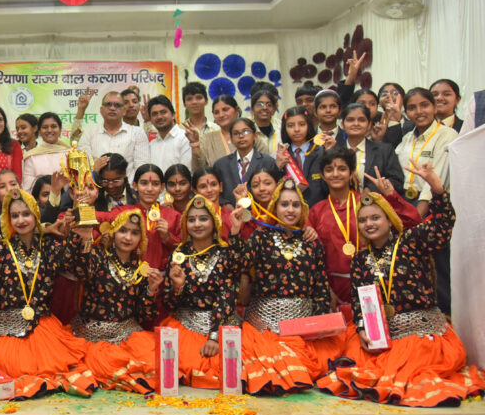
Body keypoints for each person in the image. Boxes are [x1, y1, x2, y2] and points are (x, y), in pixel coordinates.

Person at [318, 164, 485, 406]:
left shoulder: (411, 242)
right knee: (352, 367)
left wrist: (437, 189)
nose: (369, 224)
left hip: (421, 334)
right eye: (363, 220)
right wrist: (362, 328)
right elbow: (359, 300)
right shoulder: (361, 259)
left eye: (376, 218)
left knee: (408, 375)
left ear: (389, 219)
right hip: (384, 335)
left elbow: (442, 226)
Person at [0, 188, 95, 398]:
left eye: (26, 214)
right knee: (18, 369)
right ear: (8, 219)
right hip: (5, 327)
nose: (21, 220)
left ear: (36, 216)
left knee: (59, 365)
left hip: (41, 325)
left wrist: (80, 233)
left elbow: (75, 266)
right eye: (15, 215)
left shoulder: (49, 246)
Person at [236, 179, 343, 394]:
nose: (290, 210)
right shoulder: (260, 237)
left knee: (309, 363)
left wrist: (319, 326)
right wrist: (235, 232)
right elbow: (238, 264)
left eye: (295, 205)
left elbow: (320, 286)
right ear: (274, 208)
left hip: (300, 326)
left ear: (303, 210)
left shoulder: (311, 241)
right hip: (262, 325)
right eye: (284, 204)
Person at [308, 148, 420, 306]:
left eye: (342, 169)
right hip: (331, 287)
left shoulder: (368, 204)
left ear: (352, 172)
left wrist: (391, 196)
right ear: (322, 175)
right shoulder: (316, 212)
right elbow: (312, 257)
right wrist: (325, 289)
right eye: (329, 170)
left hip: (372, 281)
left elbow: (412, 223)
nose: (335, 174)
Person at [68, 210, 163, 393]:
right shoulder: (98, 257)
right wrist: (86, 240)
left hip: (128, 336)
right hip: (93, 337)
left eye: (134, 233)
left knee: (156, 363)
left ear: (140, 238)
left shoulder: (141, 270)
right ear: (113, 232)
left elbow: (145, 315)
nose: (128, 237)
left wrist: (151, 289)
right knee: (109, 366)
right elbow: (81, 270)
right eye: (123, 231)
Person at [162, 196, 243, 389]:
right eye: (191, 220)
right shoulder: (179, 254)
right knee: (179, 365)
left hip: (221, 324)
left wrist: (214, 336)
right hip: (186, 326)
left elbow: (226, 296)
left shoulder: (225, 253)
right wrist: (177, 287)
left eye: (203, 219)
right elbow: (169, 303)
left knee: (226, 369)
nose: (197, 224)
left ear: (214, 223)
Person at [397, 88, 457, 214]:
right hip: (404, 201)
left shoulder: (447, 135)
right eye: (412, 108)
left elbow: (437, 178)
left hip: (432, 204)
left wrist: (418, 216)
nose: (419, 112)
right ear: (406, 113)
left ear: (434, 108)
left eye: (424, 105)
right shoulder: (407, 138)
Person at [333, 103, 404, 192]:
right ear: (342, 124)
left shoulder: (384, 150)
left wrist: (371, 189)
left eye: (361, 120)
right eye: (350, 120)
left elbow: (397, 181)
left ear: (369, 124)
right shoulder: (333, 152)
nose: (356, 124)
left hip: (375, 199)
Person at [73, 91, 149, 172]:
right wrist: (93, 168)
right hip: (94, 180)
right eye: (108, 104)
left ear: (124, 111)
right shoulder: (89, 135)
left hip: (129, 180)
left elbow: (142, 169)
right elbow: (82, 168)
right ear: (101, 110)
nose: (112, 108)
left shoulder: (137, 133)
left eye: (117, 105)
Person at [187, 95, 268, 171]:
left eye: (225, 110)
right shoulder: (207, 139)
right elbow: (199, 171)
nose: (221, 115)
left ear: (237, 111)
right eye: (216, 112)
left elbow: (266, 164)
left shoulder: (249, 135)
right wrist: (195, 144)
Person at [212, 118, 279, 205]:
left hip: (260, 211)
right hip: (231, 210)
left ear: (255, 135)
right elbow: (216, 192)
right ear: (231, 139)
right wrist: (226, 204)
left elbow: (276, 190)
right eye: (236, 133)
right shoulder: (221, 165)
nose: (241, 136)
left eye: (246, 132)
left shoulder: (268, 162)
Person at [278, 106, 327, 206]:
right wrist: (277, 167)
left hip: (319, 208)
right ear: (284, 129)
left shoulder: (322, 152)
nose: (296, 129)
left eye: (302, 124)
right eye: (291, 126)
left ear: (309, 126)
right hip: (291, 209)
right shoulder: (281, 154)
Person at [22, 112, 69, 192]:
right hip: (40, 199)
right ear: (39, 131)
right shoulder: (31, 157)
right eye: (45, 127)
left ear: (60, 130)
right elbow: (27, 188)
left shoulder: (70, 154)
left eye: (53, 126)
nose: (49, 130)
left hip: (67, 198)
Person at [146, 96, 191, 172]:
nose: (159, 117)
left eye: (163, 112)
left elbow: (186, 171)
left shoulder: (185, 138)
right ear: (150, 119)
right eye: (155, 114)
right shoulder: (151, 144)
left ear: (173, 115)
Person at [192, 167, 234, 241]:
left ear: (220, 187)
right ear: (195, 191)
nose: (209, 190)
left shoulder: (231, 217)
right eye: (203, 186)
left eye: (213, 184)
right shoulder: (191, 218)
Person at [378, 82, 413, 148]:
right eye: (384, 94)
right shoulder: (375, 124)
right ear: (379, 102)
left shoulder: (412, 125)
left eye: (394, 93)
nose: (389, 96)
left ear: (403, 100)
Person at [251, 87, 282, 152]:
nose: (265, 107)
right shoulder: (246, 127)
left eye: (269, 105)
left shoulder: (281, 127)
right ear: (252, 109)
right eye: (260, 104)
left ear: (274, 109)